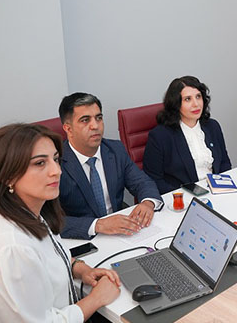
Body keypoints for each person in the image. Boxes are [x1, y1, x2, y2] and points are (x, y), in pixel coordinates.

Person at [0, 123, 120, 322]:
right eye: (40, 163)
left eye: (55, 159)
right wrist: (96, 299)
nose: (56, 171)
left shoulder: (31, 215)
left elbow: (49, 256)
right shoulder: (11, 249)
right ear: (8, 176)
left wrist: (80, 269)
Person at [58, 93, 163, 239]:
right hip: (81, 239)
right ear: (68, 129)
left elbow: (142, 182)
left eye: (98, 118)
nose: (95, 126)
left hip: (120, 234)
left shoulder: (115, 150)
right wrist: (98, 225)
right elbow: (47, 220)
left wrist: (148, 202)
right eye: (85, 120)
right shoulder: (56, 163)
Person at [144, 76, 231, 194]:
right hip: (182, 197)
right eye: (187, 99)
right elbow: (154, 180)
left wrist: (225, 189)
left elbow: (224, 163)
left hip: (217, 192)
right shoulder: (160, 136)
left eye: (198, 97)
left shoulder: (212, 126)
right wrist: (184, 196)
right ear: (176, 104)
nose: (196, 104)